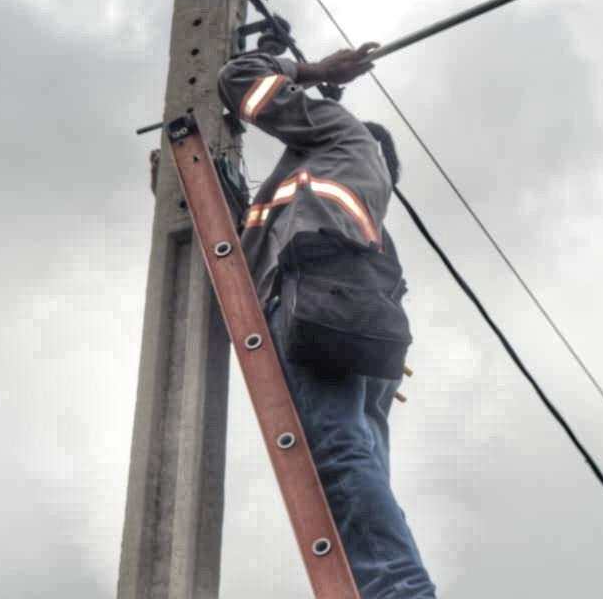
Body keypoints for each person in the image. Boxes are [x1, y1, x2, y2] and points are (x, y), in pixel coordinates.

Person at [151, 42, 437, 599]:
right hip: (359, 330)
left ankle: (398, 593)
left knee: (337, 451)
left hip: (319, 310)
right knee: (359, 460)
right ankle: (383, 584)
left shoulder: (343, 136)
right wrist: (182, 194)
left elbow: (242, 80)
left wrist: (306, 70)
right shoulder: (327, 202)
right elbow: (240, 255)